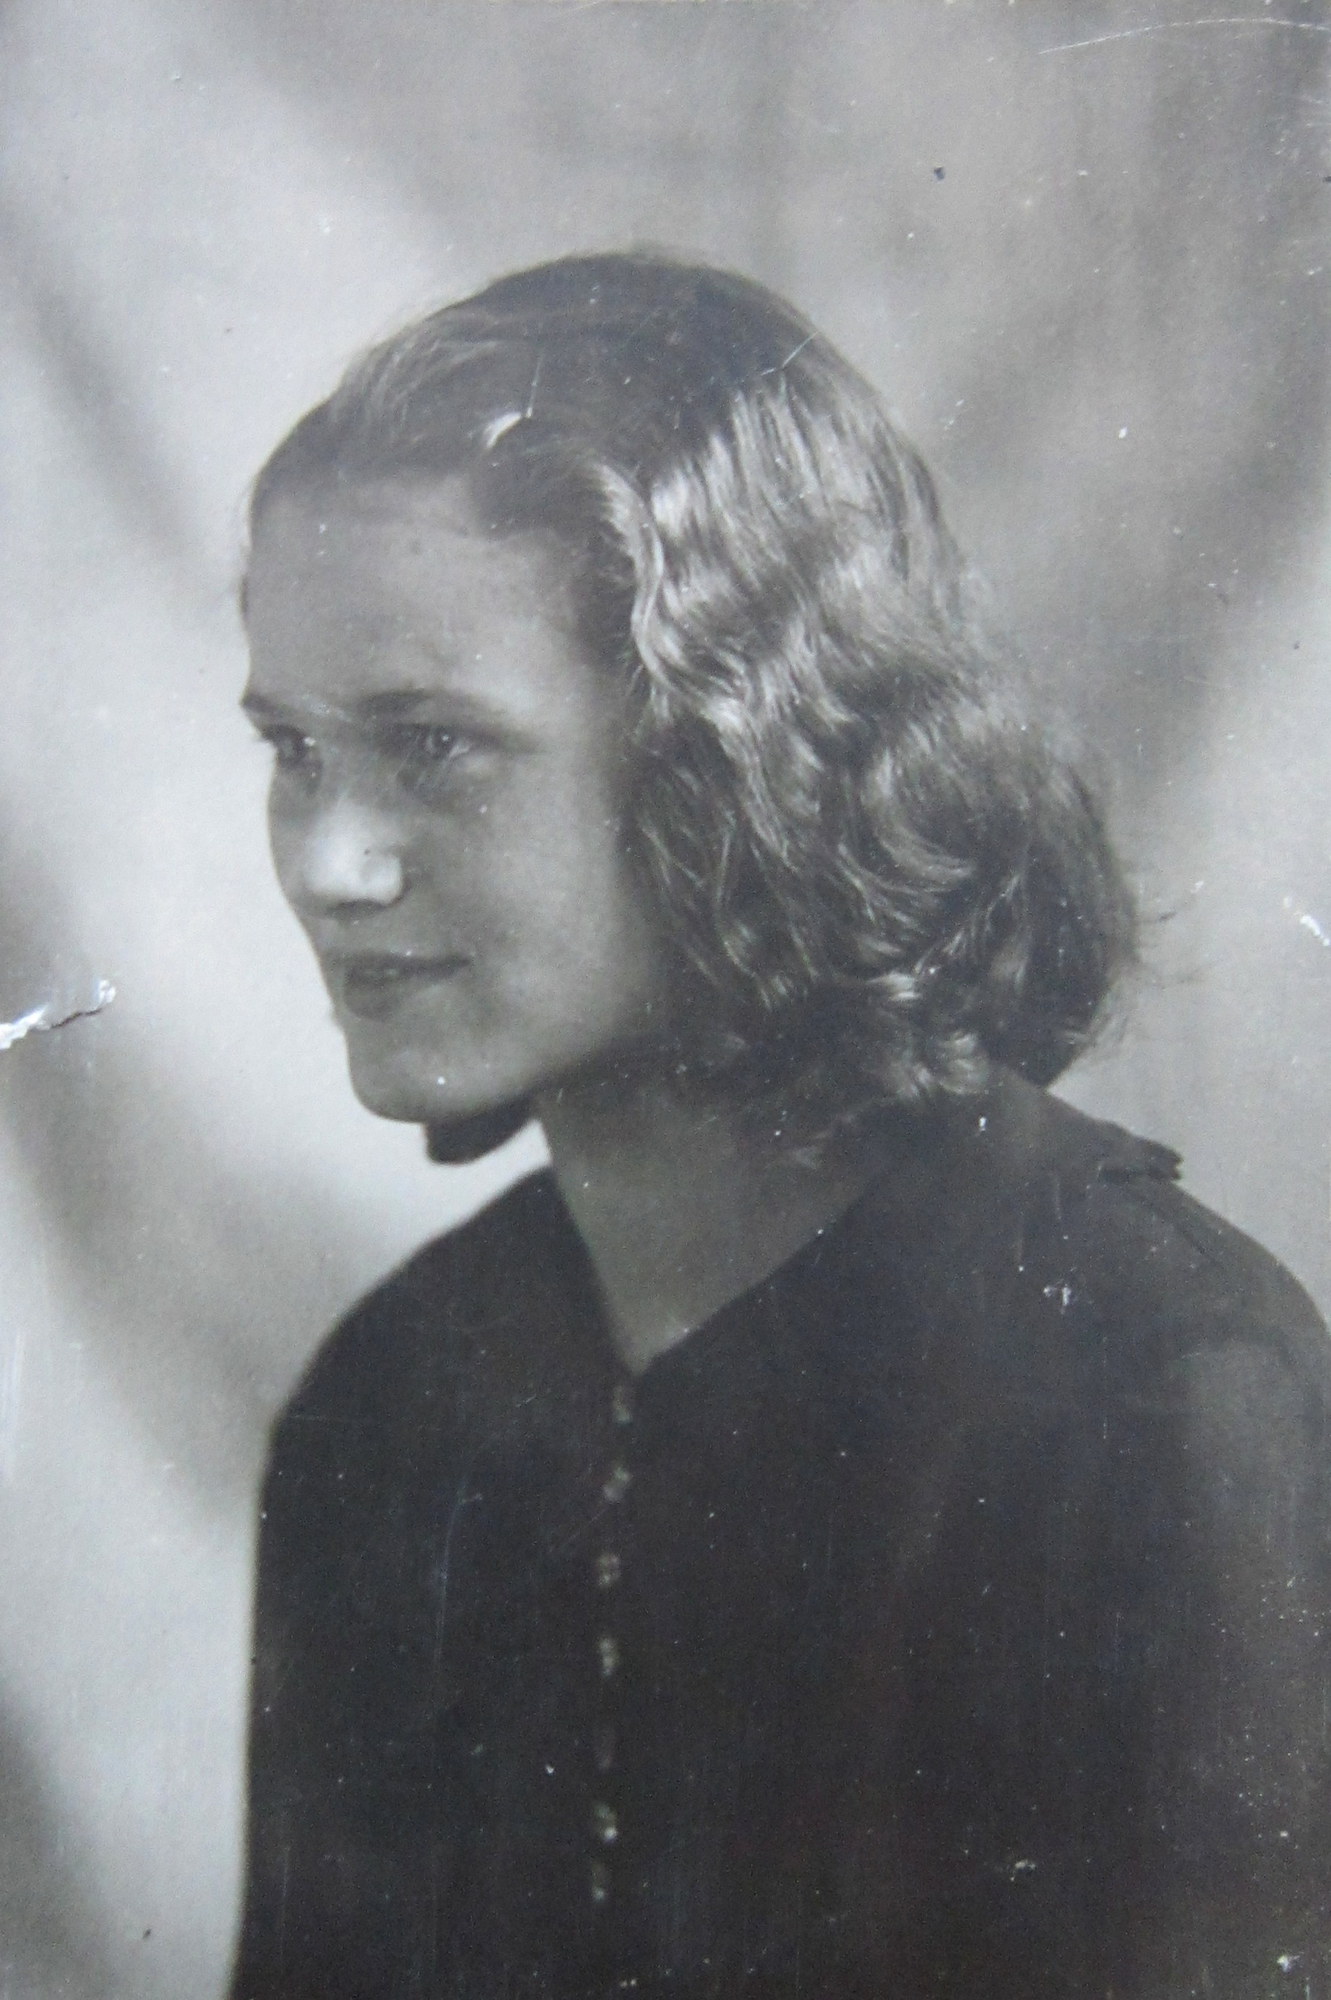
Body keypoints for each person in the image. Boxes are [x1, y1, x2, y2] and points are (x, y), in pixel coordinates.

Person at [229, 253, 1331, 1999]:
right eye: (293, 750)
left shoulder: (1162, 1387)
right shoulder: (396, 1399)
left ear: (731, 753)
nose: (329, 864)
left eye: (430, 747)